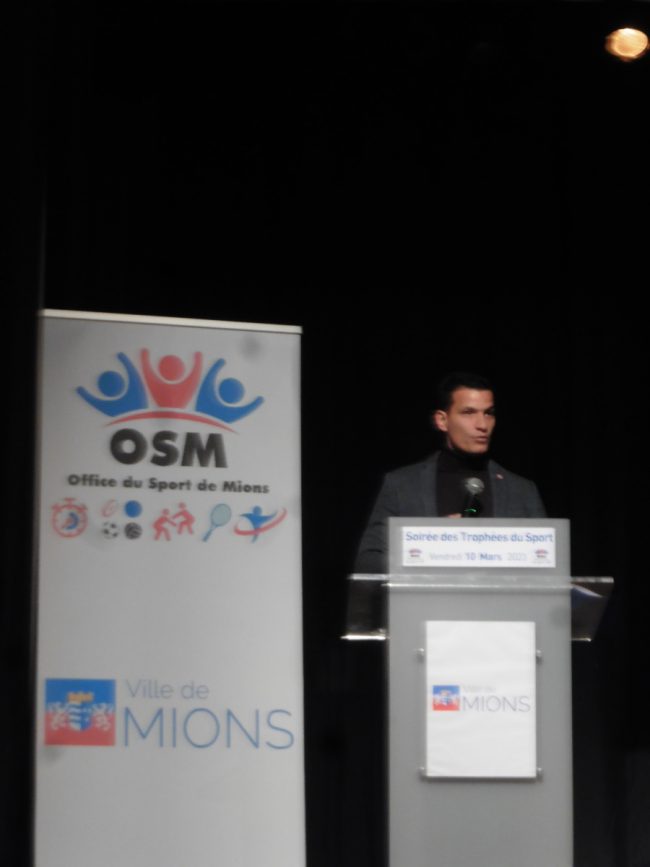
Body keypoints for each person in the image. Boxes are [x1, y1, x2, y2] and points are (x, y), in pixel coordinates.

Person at [354, 371, 546, 573]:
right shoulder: (402, 485)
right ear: (442, 421)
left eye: (488, 413)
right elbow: (368, 563)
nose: (482, 425)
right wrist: (432, 545)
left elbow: (548, 565)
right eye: (468, 413)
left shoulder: (521, 490)